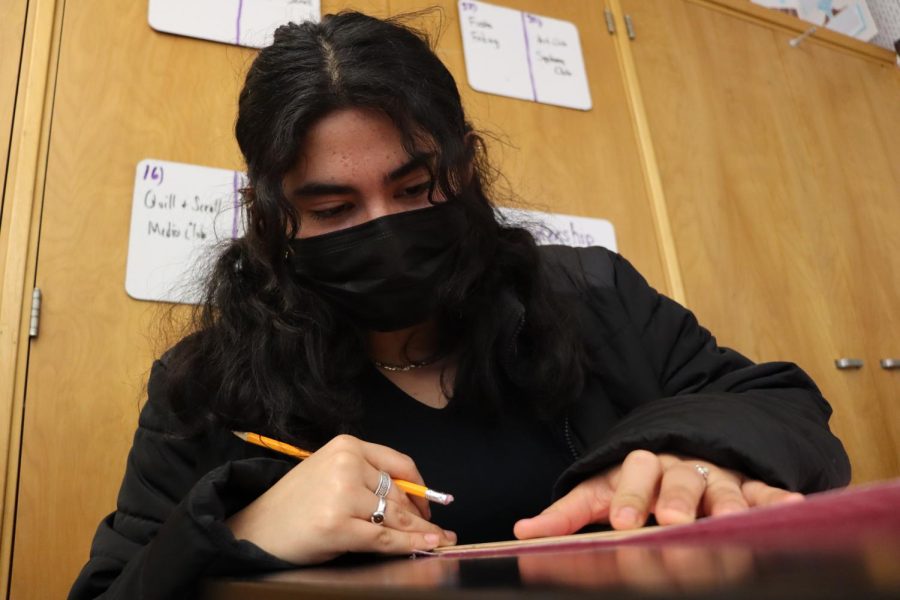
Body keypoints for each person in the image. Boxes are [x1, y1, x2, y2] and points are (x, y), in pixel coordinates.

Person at [69, 11, 850, 599]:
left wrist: (698, 452)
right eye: (335, 208)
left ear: (465, 167)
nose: (385, 229)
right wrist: (240, 531)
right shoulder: (203, 384)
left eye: (413, 189)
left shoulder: (593, 293)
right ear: (277, 219)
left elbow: (773, 400)